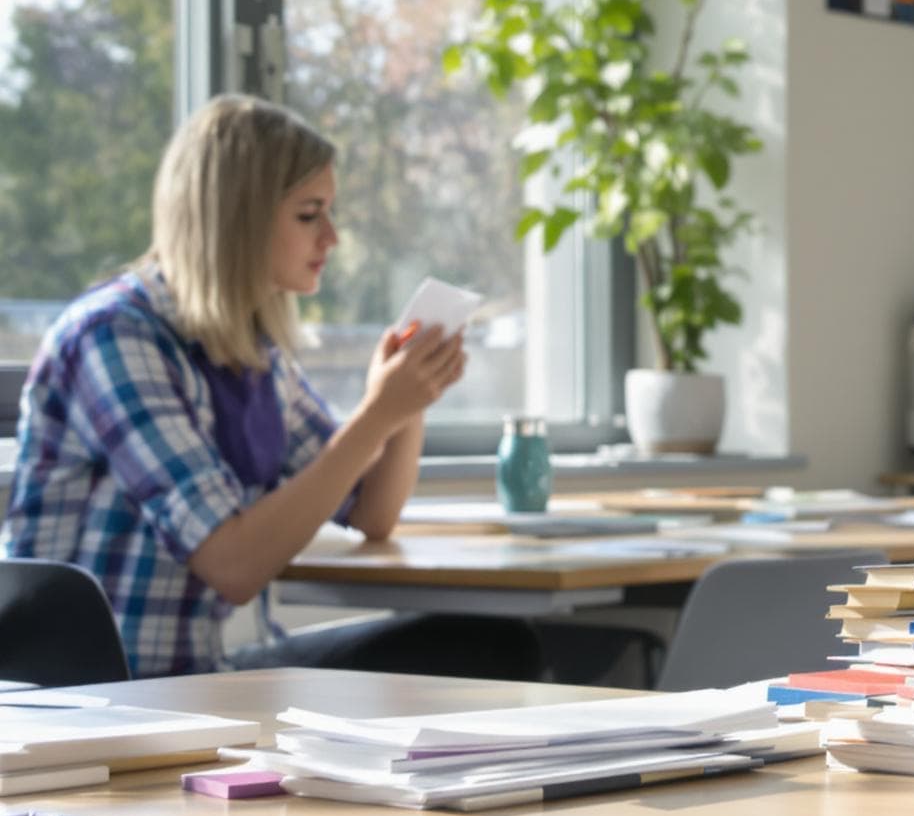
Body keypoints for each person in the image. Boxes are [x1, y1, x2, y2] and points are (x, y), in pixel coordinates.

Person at [7, 95, 542, 680]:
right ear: (239, 219)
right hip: (102, 698)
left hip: (197, 677)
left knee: (491, 646)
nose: (332, 237)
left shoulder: (249, 352)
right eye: (310, 214)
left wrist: (402, 403)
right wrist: (375, 415)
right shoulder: (113, 338)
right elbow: (234, 565)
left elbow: (371, 513)